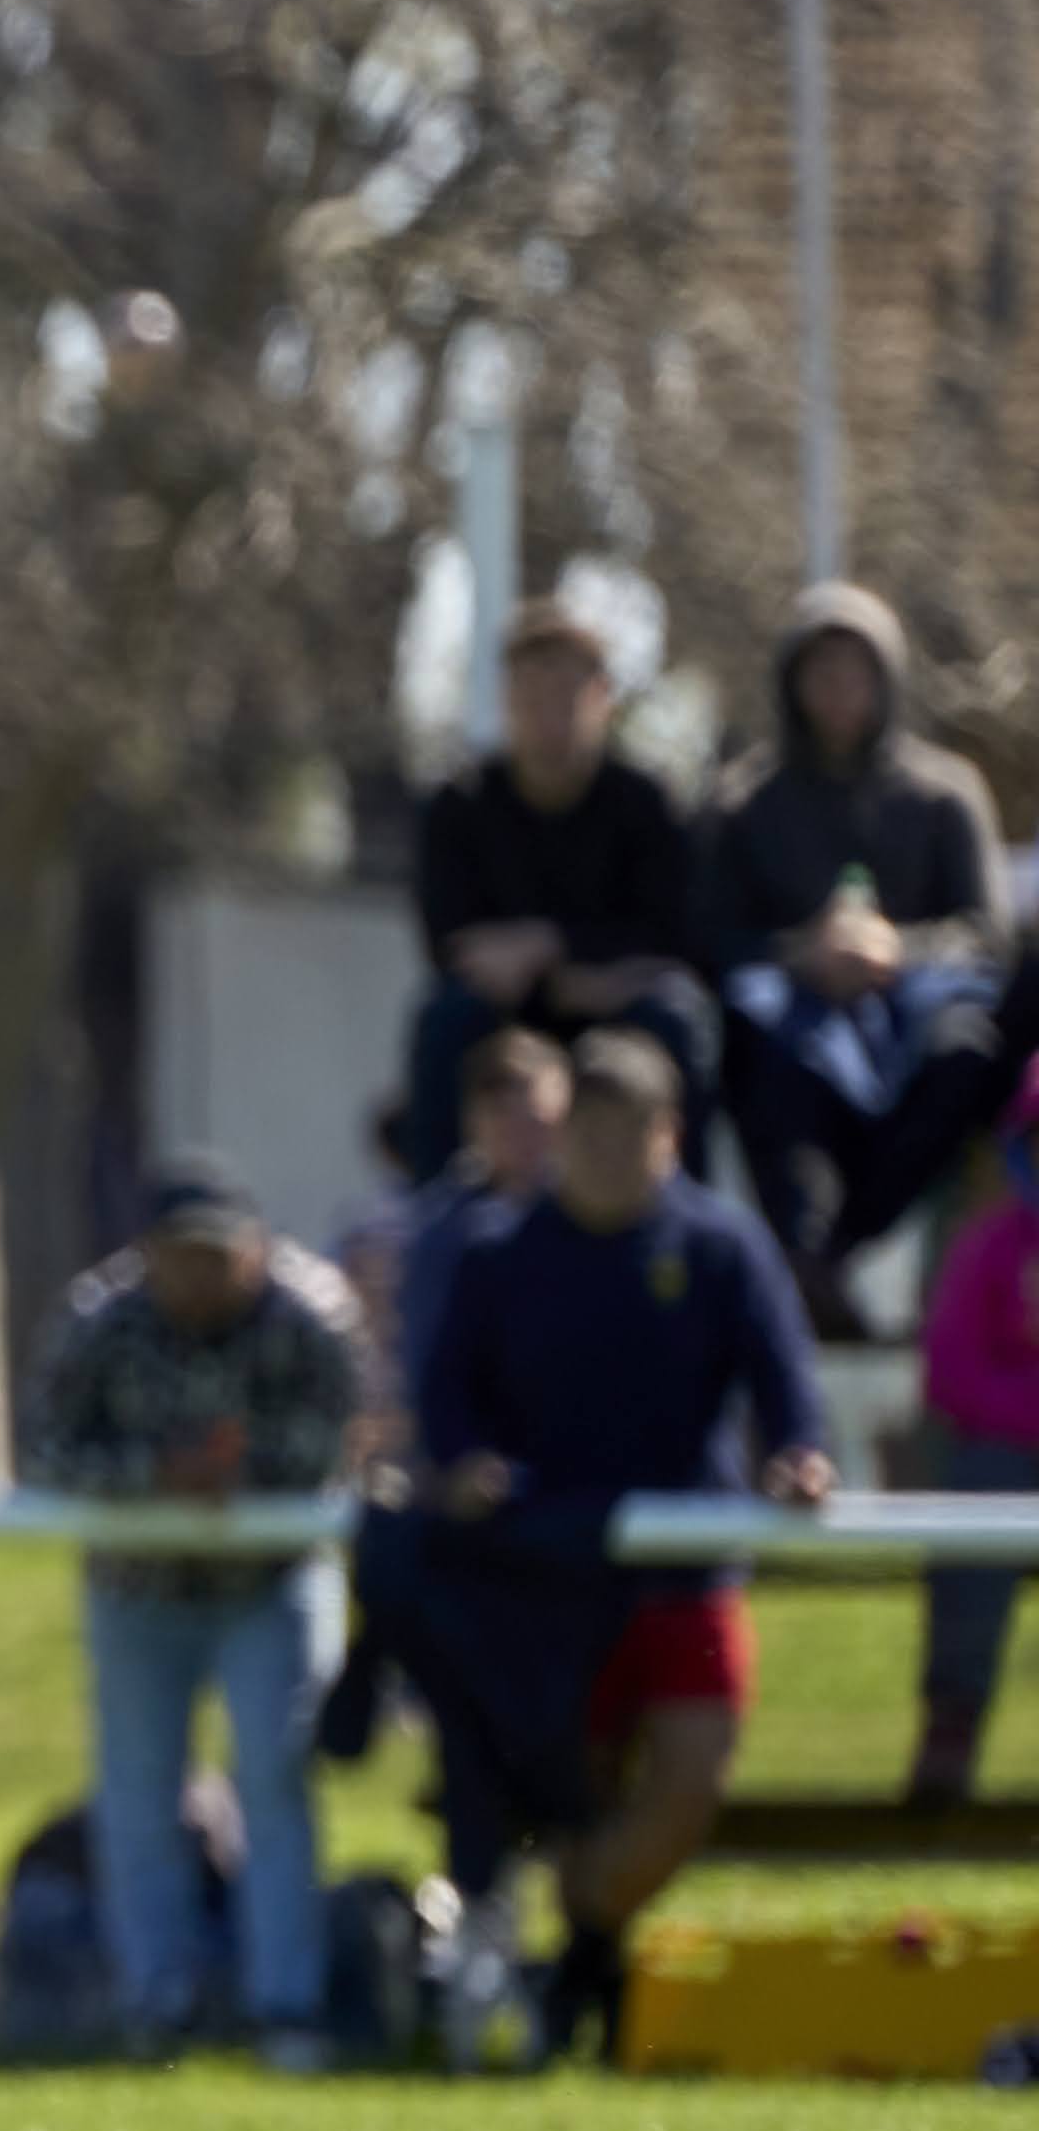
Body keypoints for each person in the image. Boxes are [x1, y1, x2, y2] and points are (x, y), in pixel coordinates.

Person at [418, 1029, 832, 2066]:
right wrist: (464, 1461)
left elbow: (787, 1384)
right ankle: (573, 1983)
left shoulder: (719, 1246)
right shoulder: (500, 1252)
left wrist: (799, 1458)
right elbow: (444, 1395)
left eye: (629, 1133)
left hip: (686, 1569)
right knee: (572, 1791)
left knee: (684, 1788)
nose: (605, 1155)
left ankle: (582, 1934)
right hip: (551, 1580)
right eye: (587, 1133)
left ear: (669, 1135)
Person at [20, 1158, 367, 2067]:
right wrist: (156, 1477)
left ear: (256, 1250)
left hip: (270, 1585)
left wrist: (236, 1478)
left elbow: (340, 1438)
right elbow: (48, 1451)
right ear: (146, 1257)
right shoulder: (98, 1321)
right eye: (182, 1257)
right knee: (139, 1797)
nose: (203, 1276)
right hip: (139, 1593)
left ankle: (284, 2007)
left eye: (219, 1256)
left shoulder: (311, 1314)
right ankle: (156, 2003)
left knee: (276, 1783)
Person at [697, 582, 1012, 1314]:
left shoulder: (945, 792)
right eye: (822, 669)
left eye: (856, 668)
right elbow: (706, 935)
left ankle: (834, 1254)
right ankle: (803, 1252)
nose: (839, 688)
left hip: (916, 1010)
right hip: (792, 1017)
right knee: (769, 1061)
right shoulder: (744, 801)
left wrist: (892, 950)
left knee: (964, 1054)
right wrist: (800, 953)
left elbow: (984, 931)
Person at [403, 598, 711, 1180]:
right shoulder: (460, 804)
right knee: (443, 1019)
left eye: (565, 696)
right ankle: (433, 1216)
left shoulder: (646, 805)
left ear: (602, 699)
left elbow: (673, 934)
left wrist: (552, 944)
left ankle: (685, 1210)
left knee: (677, 1017)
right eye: (530, 696)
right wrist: (549, 969)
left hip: (617, 1004)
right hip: (505, 1012)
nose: (548, 716)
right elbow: (449, 942)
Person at [333, 1029, 572, 1772]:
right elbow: (422, 1365)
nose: (519, 1136)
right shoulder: (441, 1230)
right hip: (463, 1479)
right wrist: (451, 1457)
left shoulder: (595, 1221)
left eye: (533, 1116)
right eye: (502, 1117)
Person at [906, 1059, 1039, 1810]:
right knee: (982, 1491)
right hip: (1004, 1461)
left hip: (1009, 1434)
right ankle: (951, 1724)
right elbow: (951, 1376)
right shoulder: (990, 1246)